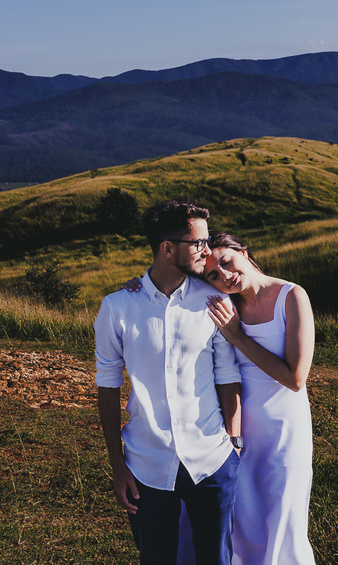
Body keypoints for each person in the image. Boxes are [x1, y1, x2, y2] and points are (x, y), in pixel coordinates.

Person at [95, 199, 243, 565]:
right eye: (198, 243)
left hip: (212, 459)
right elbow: (107, 388)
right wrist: (117, 466)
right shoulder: (117, 307)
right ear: (167, 248)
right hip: (146, 464)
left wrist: (234, 442)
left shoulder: (214, 300)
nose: (206, 252)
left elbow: (226, 374)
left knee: (216, 559)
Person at [202, 232, 316, 565]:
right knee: (243, 527)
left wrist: (238, 337)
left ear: (244, 252)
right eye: (213, 275)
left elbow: (295, 378)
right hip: (237, 431)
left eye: (226, 262)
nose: (224, 275)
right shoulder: (225, 305)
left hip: (284, 430)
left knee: (284, 520)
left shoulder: (291, 296)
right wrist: (136, 284)